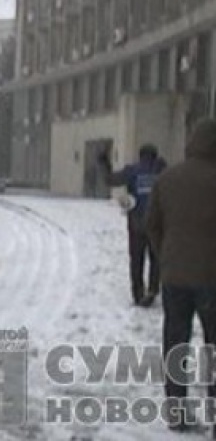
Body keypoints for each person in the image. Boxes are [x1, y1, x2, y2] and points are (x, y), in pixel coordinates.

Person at [145, 119, 216, 433]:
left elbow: (151, 224)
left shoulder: (167, 178)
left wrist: (166, 257)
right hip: (212, 277)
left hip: (174, 277)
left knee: (175, 344)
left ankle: (177, 412)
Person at [100, 143, 167, 306]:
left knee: (136, 259)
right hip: (157, 224)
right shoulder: (162, 171)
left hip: (137, 222)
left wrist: (104, 163)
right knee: (156, 258)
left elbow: (111, 180)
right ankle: (152, 289)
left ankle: (138, 293)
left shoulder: (132, 171)